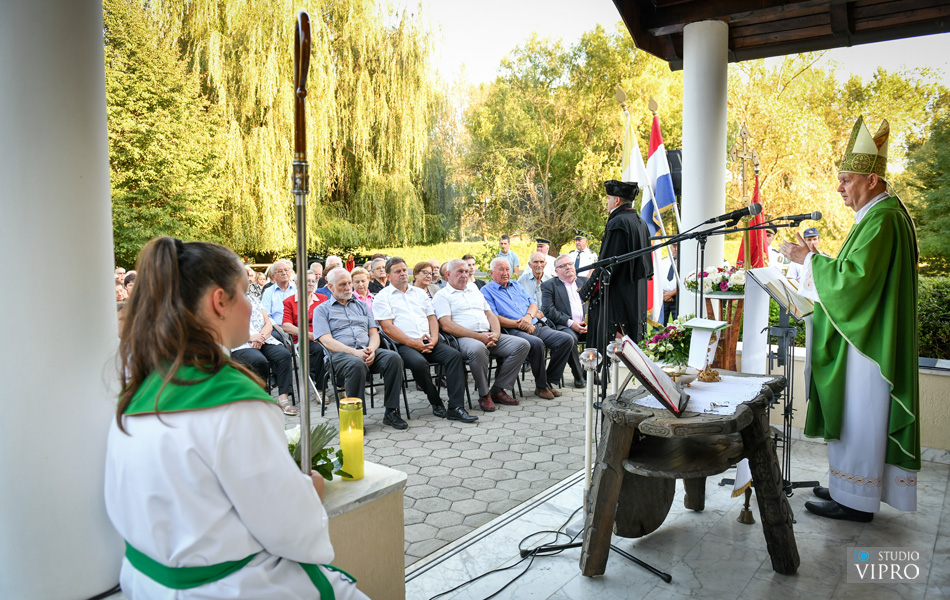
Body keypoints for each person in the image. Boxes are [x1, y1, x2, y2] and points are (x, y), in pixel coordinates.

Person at [105, 237, 366, 599]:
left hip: (148, 584)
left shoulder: (141, 387)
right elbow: (290, 531)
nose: (251, 305)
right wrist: (310, 489)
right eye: (245, 292)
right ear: (219, 301)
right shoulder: (234, 402)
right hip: (233, 587)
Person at [780, 116, 920, 523]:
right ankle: (849, 484)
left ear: (872, 180)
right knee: (857, 416)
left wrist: (809, 259)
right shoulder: (878, 216)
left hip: (868, 343)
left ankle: (856, 500)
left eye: (846, 179)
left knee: (861, 414)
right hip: (865, 334)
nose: (839, 188)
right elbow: (852, 276)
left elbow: (852, 283)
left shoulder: (884, 218)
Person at [374, 257, 478, 423]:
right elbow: (387, 327)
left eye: (403, 270)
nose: (402, 274)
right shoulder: (382, 297)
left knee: (454, 356)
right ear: (388, 276)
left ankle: (456, 407)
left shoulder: (419, 293)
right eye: (397, 271)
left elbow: (432, 318)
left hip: (429, 340)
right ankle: (435, 401)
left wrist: (435, 339)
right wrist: (412, 342)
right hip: (404, 345)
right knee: (419, 363)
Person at [314, 268, 407, 430]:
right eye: (343, 284)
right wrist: (354, 352)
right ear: (330, 287)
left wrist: (371, 349)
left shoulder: (362, 306)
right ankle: (354, 419)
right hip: (339, 356)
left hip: (366, 351)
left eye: (349, 283)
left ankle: (391, 411)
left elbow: (374, 333)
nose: (349, 287)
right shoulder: (321, 310)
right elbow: (326, 340)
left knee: (393, 358)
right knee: (356, 364)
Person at [433, 259, 530, 412]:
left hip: (488, 335)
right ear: (448, 274)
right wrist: (479, 337)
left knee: (522, 344)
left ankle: (498, 389)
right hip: (462, 339)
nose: (464, 275)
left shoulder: (473, 288)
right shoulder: (442, 295)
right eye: (460, 271)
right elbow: (446, 325)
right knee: (478, 349)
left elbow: (490, 314)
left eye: (466, 271)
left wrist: (495, 335)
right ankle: (484, 395)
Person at [481, 258, 573, 399]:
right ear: (491, 272)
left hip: (533, 323)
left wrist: (528, 318)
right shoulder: (486, 291)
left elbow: (533, 304)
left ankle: (548, 381)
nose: (505, 273)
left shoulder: (516, 285)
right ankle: (541, 386)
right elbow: (493, 317)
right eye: (501, 269)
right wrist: (520, 324)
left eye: (507, 269)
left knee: (566, 339)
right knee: (536, 343)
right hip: (512, 330)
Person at [582, 180, 653, 358]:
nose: (606, 202)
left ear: (617, 201)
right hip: (635, 293)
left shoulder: (618, 222)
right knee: (633, 344)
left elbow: (606, 263)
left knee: (604, 342)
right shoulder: (641, 223)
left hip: (616, 295)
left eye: (608, 198)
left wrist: (587, 291)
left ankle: (598, 373)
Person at [233, 293, 297, 416]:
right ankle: (262, 397)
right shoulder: (224, 300)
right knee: (259, 360)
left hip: (263, 338)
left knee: (284, 355)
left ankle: (283, 398)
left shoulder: (253, 298)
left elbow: (268, 322)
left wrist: (261, 337)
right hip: (240, 342)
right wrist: (250, 338)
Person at [541, 254, 590, 388]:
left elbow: (597, 304)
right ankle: (578, 375)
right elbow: (548, 310)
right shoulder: (549, 285)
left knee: (605, 333)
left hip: (587, 324)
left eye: (570, 264)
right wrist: (571, 323)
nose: (568, 267)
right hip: (565, 326)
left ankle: (591, 371)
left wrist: (591, 322)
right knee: (569, 338)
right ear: (556, 271)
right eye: (563, 266)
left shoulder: (585, 282)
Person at [282, 271, 329, 397]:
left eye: (313, 281)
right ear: (297, 283)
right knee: (320, 349)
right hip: (303, 340)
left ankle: (342, 385)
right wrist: (308, 335)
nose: (311, 283)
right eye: (307, 281)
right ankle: (321, 389)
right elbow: (286, 326)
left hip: (323, 336)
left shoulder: (322, 299)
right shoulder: (289, 302)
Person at [260, 259, 296, 326]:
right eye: (280, 271)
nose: (284, 273)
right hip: (276, 329)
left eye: (286, 270)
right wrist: (278, 329)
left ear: (290, 272)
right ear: (273, 276)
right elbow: (266, 315)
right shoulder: (268, 292)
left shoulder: (297, 289)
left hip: (297, 327)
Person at [659, 244, 679, 325]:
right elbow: (657, 278)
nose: (676, 249)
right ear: (671, 247)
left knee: (678, 325)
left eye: (678, 246)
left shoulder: (685, 262)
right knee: (660, 326)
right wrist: (663, 293)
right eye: (674, 246)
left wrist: (671, 293)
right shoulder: (663, 261)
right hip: (663, 298)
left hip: (677, 298)